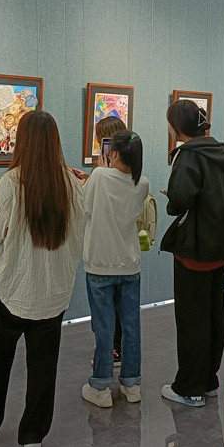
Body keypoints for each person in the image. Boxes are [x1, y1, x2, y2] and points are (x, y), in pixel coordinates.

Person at [0, 110, 85, 447]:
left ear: (22, 142)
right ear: (56, 142)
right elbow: (78, 235)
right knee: (44, 365)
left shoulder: (12, 183)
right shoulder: (71, 184)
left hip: (10, 287)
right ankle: (33, 437)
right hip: (53, 290)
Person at [160, 100, 224, 407]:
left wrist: (172, 198)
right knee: (213, 312)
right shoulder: (222, 153)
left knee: (192, 318)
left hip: (195, 249)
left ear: (177, 127)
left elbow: (181, 200)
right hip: (222, 245)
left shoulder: (188, 156)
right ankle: (209, 380)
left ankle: (189, 387)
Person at [81, 130, 149, 408]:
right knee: (131, 326)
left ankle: (100, 386)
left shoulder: (99, 176)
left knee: (104, 327)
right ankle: (132, 384)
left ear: (114, 153)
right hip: (129, 264)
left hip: (100, 264)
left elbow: (85, 207)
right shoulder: (142, 182)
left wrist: (97, 172)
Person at [93, 115, 128, 365]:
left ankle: (110, 354)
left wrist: (99, 175)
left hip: (106, 252)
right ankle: (120, 352)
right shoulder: (135, 175)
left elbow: (91, 206)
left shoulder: (105, 175)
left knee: (107, 308)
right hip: (126, 253)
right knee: (122, 308)